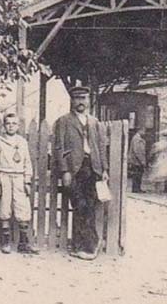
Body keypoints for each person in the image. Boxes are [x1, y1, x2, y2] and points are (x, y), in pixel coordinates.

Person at [53, 86, 108, 260]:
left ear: (88, 100)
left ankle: (86, 246)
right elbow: (58, 148)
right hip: (74, 169)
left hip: (92, 168)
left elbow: (100, 147)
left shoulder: (95, 122)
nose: (81, 102)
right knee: (79, 205)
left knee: (89, 205)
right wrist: (64, 171)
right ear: (72, 101)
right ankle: (88, 244)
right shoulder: (64, 121)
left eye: (83, 98)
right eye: (77, 99)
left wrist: (104, 169)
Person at [0, 112, 38, 255]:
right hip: (4, 176)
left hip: (19, 178)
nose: (11, 126)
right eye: (8, 123)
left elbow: (27, 162)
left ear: (18, 126)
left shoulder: (22, 142)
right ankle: (6, 242)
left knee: (22, 208)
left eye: (14, 124)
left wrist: (27, 180)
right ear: (4, 125)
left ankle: (23, 243)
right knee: (4, 208)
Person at [128, 127, 148, 193]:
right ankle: (136, 189)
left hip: (136, 160)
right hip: (136, 161)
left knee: (138, 175)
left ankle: (137, 188)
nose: (145, 133)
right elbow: (137, 151)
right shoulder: (137, 139)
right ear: (140, 131)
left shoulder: (137, 138)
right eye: (144, 131)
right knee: (137, 175)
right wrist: (142, 161)